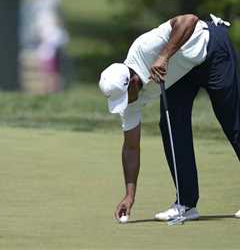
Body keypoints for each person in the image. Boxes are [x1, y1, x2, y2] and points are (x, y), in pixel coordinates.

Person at [99, 13, 240, 222]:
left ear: (134, 82)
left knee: (233, 122)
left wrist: (164, 56)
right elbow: (131, 147)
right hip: (178, 73)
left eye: (125, 98)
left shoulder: (144, 47)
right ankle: (186, 203)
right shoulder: (129, 98)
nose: (125, 104)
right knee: (171, 127)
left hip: (211, 51)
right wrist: (130, 195)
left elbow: (189, 20)